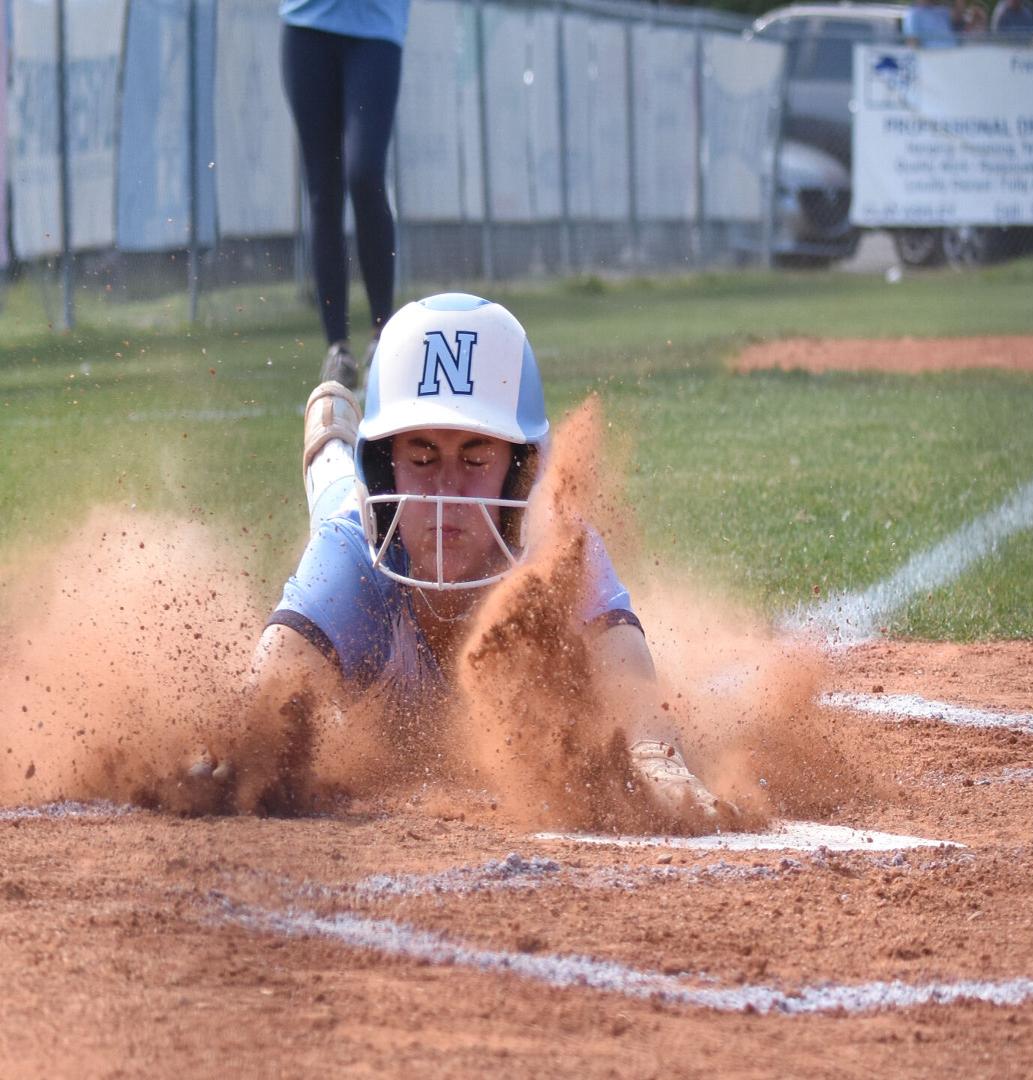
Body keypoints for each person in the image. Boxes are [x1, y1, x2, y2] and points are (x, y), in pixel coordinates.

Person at [197, 293, 732, 826]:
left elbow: (633, 691)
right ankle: (329, 446)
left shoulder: (557, 552)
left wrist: (655, 761)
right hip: (350, 509)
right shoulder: (350, 550)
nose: (446, 491)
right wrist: (232, 753)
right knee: (336, 490)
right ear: (383, 468)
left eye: (476, 457)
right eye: (422, 456)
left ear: (521, 471)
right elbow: (261, 705)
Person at [280, 0, 409, 391]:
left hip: (376, 31)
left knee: (365, 173)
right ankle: (338, 349)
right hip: (307, 26)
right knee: (323, 191)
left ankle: (382, 334)